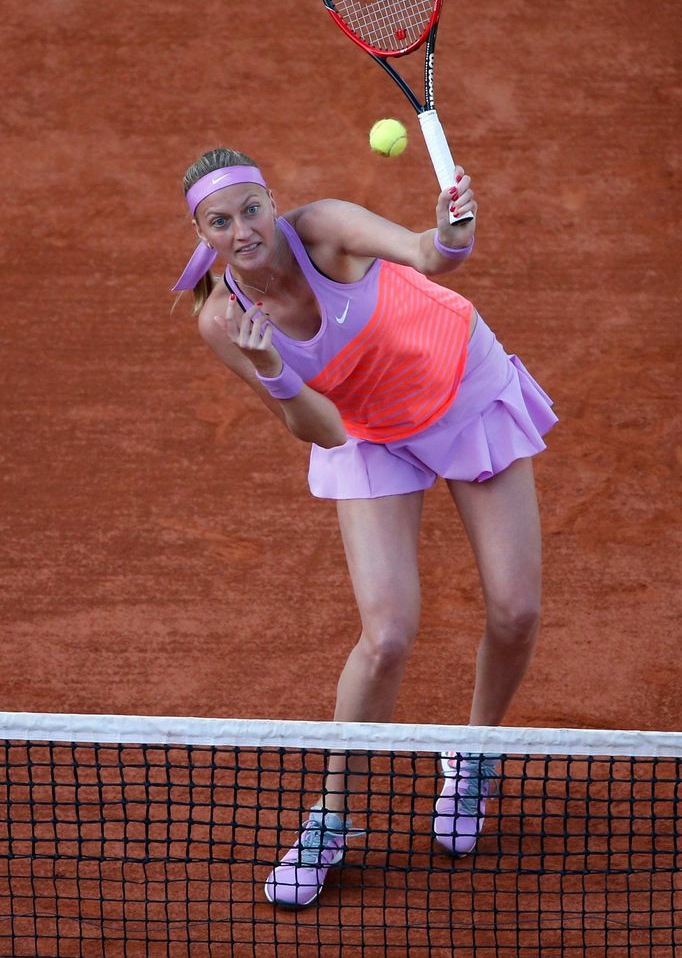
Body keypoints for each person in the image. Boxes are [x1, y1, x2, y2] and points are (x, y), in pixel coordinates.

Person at [172, 145, 557, 908]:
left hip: (458, 385)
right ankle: (333, 820)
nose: (243, 229)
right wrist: (279, 370)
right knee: (386, 636)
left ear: (271, 199)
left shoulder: (327, 229)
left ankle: (472, 755)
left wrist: (451, 234)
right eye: (222, 222)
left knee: (516, 612)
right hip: (366, 429)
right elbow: (320, 429)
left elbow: (427, 254)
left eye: (251, 208)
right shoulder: (224, 320)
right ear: (203, 235)